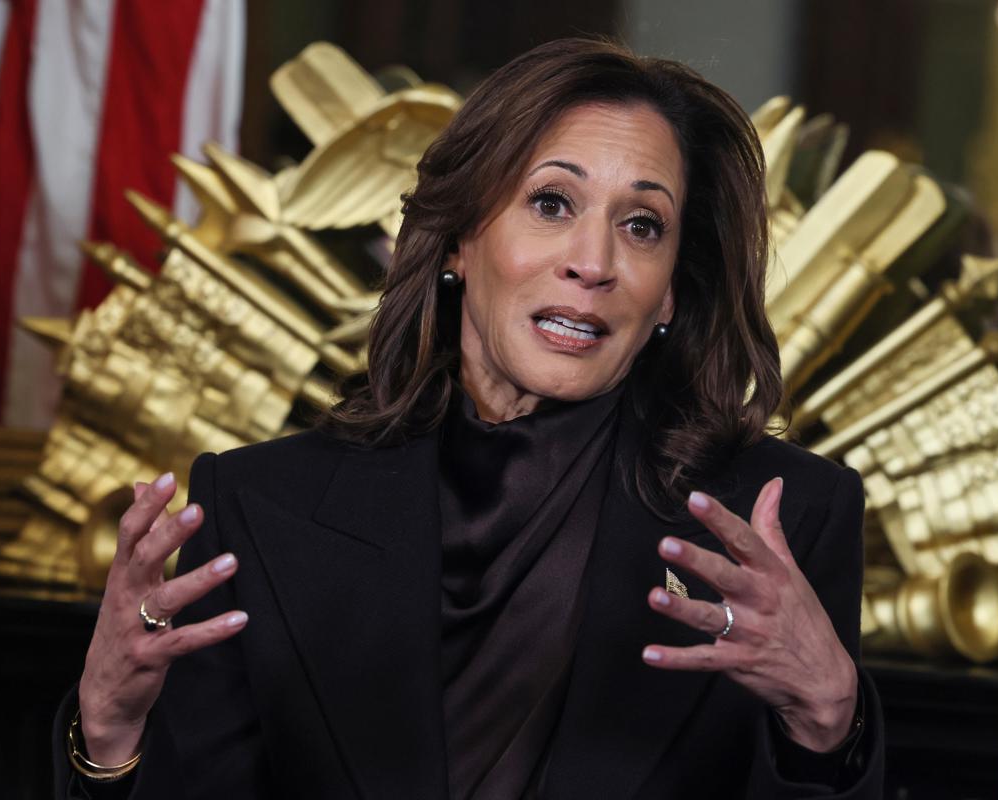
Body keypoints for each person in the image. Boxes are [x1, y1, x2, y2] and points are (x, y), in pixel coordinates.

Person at [54, 37, 884, 799]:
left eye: (641, 225)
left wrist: (829, 725)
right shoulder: (255, 506)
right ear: (457, 239)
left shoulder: (782, 520)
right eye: (552, 203)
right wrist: (108, 732)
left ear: (669, 290)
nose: (592, 263)